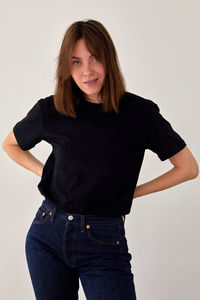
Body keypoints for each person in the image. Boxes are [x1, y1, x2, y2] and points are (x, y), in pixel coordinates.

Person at [2, 18, 199, 300]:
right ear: (66, 68)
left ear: (109, 59)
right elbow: (10, 144)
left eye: (95, 58)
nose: (87, 71)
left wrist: (132, 193)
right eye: (76, 62)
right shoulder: (52, 109)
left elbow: (188, 168)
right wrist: (44, 172)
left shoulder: (140, 114)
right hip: (47, 234)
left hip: (104, 241)